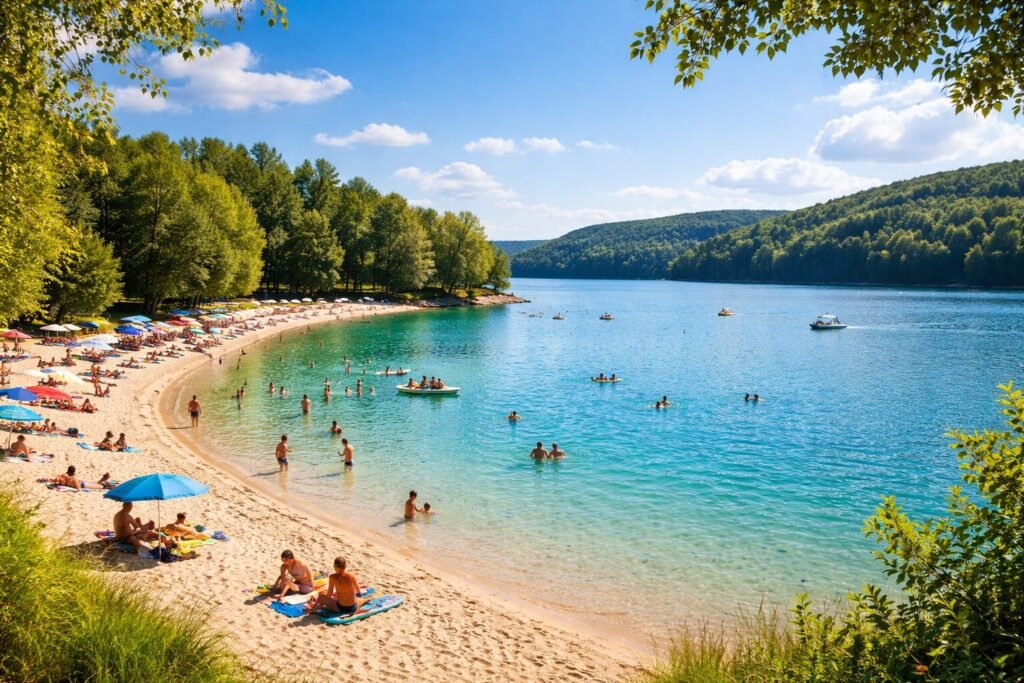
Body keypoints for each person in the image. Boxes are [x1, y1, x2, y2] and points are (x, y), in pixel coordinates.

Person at [303, 556, 373, 616]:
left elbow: (329, 595)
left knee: (321, 597)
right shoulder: (352, 576)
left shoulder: (333, 577)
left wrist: (326, 596)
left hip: (341, 608)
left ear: (334, 566)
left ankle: (313, 610)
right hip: (353, 607)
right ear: (345, 566)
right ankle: (366, 600)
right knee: (363, 599)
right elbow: (358, 591)